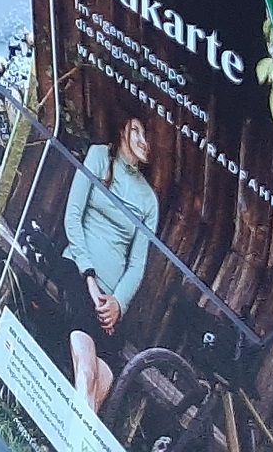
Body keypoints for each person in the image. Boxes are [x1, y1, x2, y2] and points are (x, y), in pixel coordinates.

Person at [58, 116, 160, 415]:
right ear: (122, 129)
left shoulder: (149, 201)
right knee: (87, 371)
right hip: (78, 272)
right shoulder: (99, 156)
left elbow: (137, 264)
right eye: (136, 131)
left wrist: (118, 303)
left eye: (147, 136)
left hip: (109, 302)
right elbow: (72, 216)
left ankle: (69, 435)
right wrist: (89, 276)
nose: (142, 140)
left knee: (103, 379)